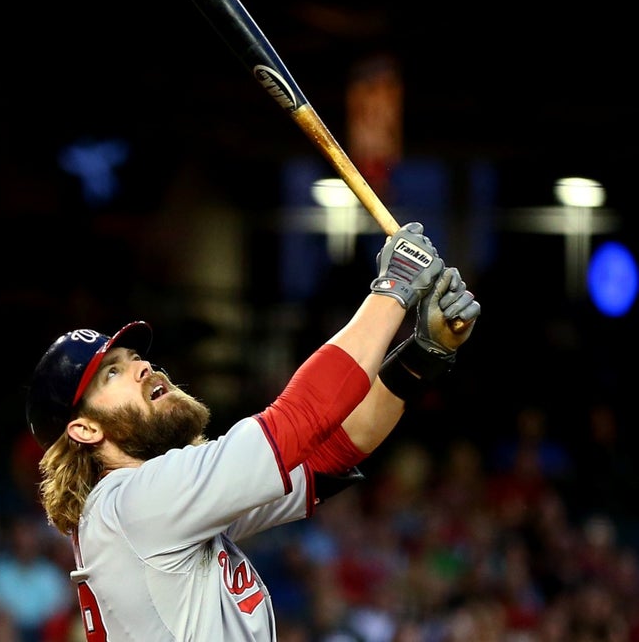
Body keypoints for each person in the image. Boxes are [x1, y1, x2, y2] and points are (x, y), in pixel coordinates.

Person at [24, 222, 481, 641]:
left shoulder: (151, 510)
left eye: (134, 359)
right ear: (83, 429)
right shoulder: (130, 504)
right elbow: (297, 419)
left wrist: (423, 353)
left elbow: (329, 452)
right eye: (112, 374)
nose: (142, 366)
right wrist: (391, 290)